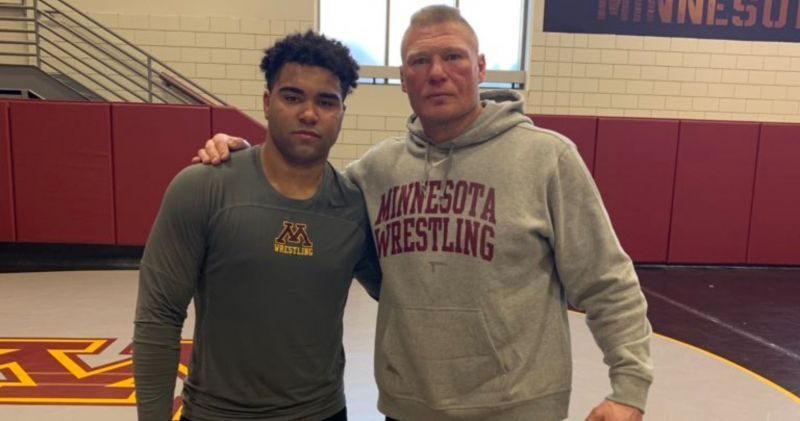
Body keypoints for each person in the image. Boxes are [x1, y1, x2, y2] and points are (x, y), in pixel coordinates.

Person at [196, 6, 653, 421]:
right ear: (403, 77)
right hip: (408, 407)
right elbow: (302, 191)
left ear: (480, 68)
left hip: (517, 408)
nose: (437, 73)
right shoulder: (376, 170)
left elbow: (606, 278)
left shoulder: (547, 158)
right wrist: (242, 161)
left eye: (453, 57)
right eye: (420, 61)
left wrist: (629, 388)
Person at [133, 31, 381, 421]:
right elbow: (159, 317)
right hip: (217, 414)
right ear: (267, 103)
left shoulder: (354, 206)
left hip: (322, 413)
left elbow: (402, 293)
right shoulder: (203, 186)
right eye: (293, 96)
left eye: (326, 101)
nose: (309, 113)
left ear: (342, 113)